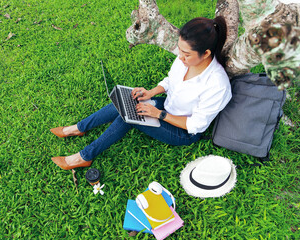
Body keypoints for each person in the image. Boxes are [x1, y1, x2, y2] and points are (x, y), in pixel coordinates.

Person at [50, 16, 232, 170]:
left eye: (186, 54)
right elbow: (170, 81)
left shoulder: (217, 84)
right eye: (180, 50)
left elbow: (196, 125)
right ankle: (79, 128)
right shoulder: (184, 60)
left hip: (183, 131)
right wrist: (151, 92)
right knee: (127, 100)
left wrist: (159, 114)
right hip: (168, 106)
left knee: (129, 115)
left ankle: (84, 157)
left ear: (206, 53)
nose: (180, 57)